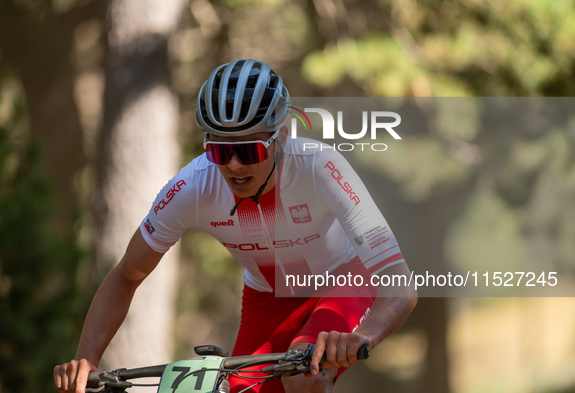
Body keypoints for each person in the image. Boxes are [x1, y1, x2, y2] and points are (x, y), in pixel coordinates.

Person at [53, 59, 417, 393]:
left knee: (303, 378)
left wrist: (363, 336)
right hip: (265, 300)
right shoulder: (194, 186)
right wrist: (87, 360)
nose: (235, 167)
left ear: (282, 136)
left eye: (251, 151)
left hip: (344, 280)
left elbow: (401, 284)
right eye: (220, 152)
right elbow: (127, 275)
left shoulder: (320, 168)